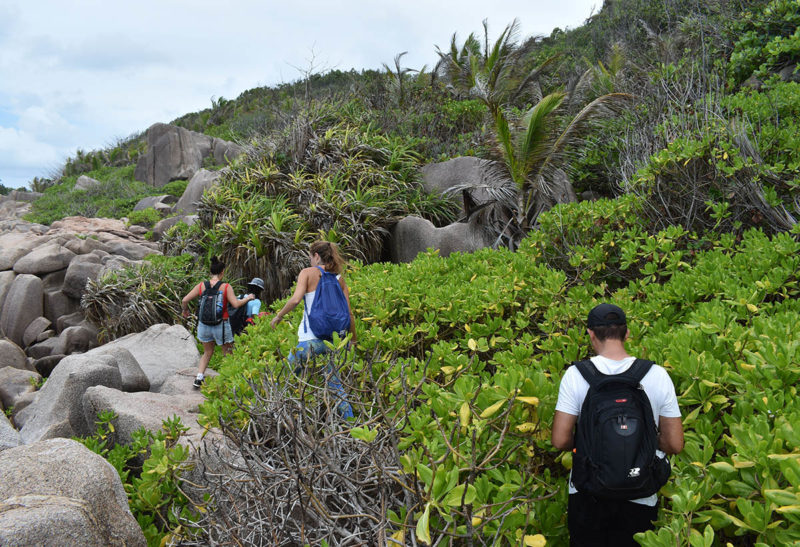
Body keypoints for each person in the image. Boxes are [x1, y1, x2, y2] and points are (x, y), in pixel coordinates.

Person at [551, 303, 684, 546]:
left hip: (587, 492)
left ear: (591, 334)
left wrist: (592, 444)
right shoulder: (656, 374)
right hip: (641, 491)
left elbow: (560, 439)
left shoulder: (576, 375)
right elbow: (675, 443)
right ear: (627, 333)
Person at [270, 241, 356, 419]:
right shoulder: (339, 279)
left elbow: (294, 300)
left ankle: (278, 419)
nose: (309, 260)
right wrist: (352, 340)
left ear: (316, 256)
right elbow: (349, 314)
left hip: (309, 341)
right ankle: (352, 426)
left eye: (310, 256)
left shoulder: (307, 273)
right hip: (332, 343)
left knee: (284, 381)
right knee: (336, 389)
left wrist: (278, 316)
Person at [181, 257, 256, 388]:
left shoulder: (201, 286)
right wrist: (248, 298)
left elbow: (184, 300)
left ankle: (198, 378)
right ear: (222, 272)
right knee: (228, 353)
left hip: (204, 325)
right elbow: (236, 304)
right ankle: (231, 381)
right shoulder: (226, 287)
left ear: (211, 272)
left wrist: (185, 310)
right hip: (221, 325)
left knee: (207, 352)